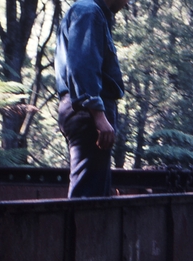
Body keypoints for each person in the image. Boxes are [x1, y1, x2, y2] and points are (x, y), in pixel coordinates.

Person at [55, 0, 129, 198]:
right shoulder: (89, 11)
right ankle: (78, 229)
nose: (128, 3)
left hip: (86, 110)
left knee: (94, 192)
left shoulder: (92, 13)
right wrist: (98, 115)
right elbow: (83, 66)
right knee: (87, 195)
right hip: (87, 113)